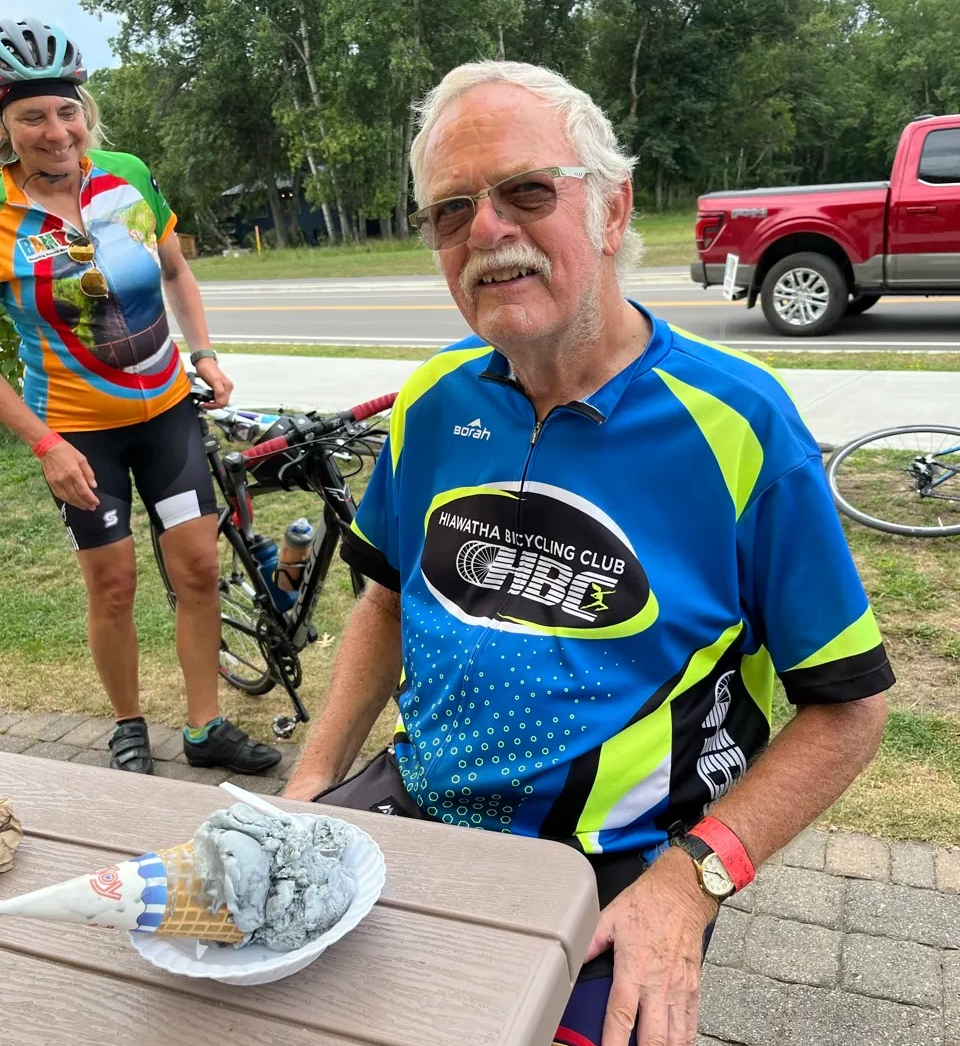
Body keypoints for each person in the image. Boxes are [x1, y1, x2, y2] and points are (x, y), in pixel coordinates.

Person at [285, 60, 893, 1046]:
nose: (486, 230)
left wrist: (693, 878)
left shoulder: (739, 423)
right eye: (451, 209)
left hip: (622, 854)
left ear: (611, 213)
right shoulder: (430, 403)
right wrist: (313, 780)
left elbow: (851, 706)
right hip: (423, 809)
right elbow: (387, 603)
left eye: (528, 190)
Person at [0, 17, 280, 776]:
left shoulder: (127, 173)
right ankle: (128, 724)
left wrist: (206, 351)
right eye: (33, 116)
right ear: (5, 126)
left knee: (195, 569)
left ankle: (203, 726)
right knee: (114, 585)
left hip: (167, 415)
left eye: (67, 111)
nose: (57, 131)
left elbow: (175, 271)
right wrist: (44, 443)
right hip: (76, 432)